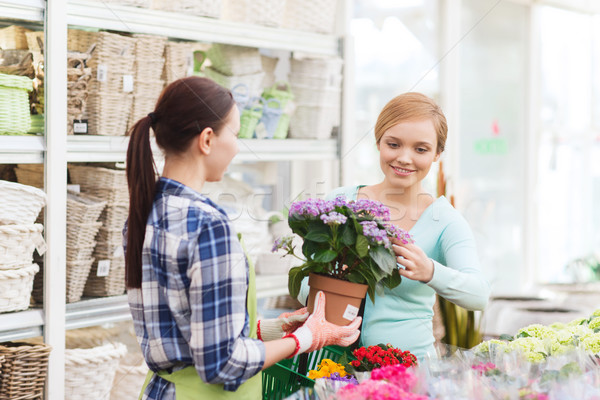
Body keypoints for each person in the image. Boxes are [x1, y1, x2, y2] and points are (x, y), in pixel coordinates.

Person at [124, 76, 362, 400]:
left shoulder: (144, 213)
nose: (237, 146)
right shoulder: (208, 226)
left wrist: (271, 329)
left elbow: (187, 327)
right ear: (207, 139)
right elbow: (222, 364)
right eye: (234, 134)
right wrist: (306, 338)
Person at [298, 92, 490, 361]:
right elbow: (302, 283)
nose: (404, 158)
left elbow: (479, 295)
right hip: (331, 367)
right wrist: (331, 280)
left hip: (406, 373)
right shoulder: (340, 203)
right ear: (378, 142)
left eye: (420, 149)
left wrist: (430, 271)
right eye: (394, 144)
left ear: (437, 153)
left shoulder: (445, 221)